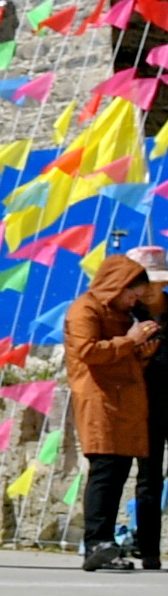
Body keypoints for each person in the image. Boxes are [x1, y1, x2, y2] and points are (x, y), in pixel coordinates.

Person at [67, 244, 164, 573]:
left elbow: (122, 358)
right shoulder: (86, 310)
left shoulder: (123, 316)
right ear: (115, 286)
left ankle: (106, 545)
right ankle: (96, 542)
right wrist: (132, 340)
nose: (134, 302)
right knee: (105, 474)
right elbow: (88, 351)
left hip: (125, 404)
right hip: (100, 401)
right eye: (130, 294)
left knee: (119, 473)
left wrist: (143, 351)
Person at [138, 243, 168, 570]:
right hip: (144, 410)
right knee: (148, 482)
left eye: (154, 281)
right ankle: (149, 550)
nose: (148, 290)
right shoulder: (130, 317)